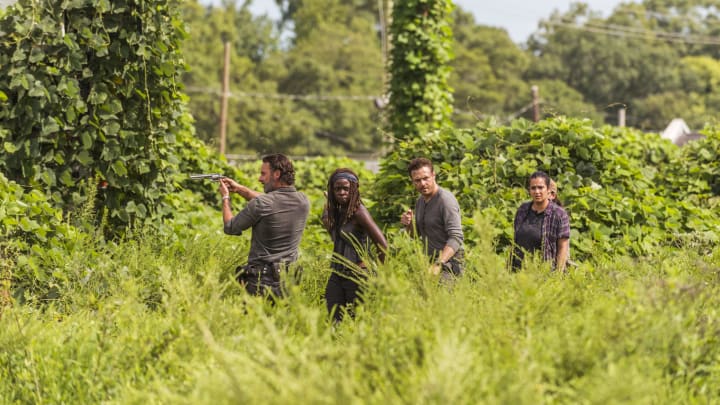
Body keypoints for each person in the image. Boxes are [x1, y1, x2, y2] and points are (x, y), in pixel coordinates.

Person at [218, 154, 310, 298]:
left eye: (263, 174)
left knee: (253, 320)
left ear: (277, 174)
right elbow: (272, 201)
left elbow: (230, 227)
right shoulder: (303, 201)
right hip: (290, 280)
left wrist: (225, 197)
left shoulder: (262, 204)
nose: (260, 179)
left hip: (262, 281)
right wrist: (241, 189)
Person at [322, 168, 387, 322]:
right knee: (334, 318)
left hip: (357, 274)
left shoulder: (359, 211)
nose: (342, 192)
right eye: (337, 189)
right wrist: (328, 203)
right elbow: (329, 226)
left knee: (357, 320)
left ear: (354, 189)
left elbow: (383, 245)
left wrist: (376, 272)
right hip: (338, 272)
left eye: (346, 188)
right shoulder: (338, 211)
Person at [400, 157, 464, 280]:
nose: (422, 183)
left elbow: (456, 237)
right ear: (412, 181)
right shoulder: (420, 201)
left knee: (443, 298)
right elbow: (415, 235)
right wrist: (408, 224)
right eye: (417, 180)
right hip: (429, 263)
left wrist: (439, 264)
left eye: (426, 178)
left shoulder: (445, 200)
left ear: (433, 175)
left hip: (449, 264)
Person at [510, 171, 570, 272]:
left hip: (544, 274)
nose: (537, 192)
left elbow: (563, 248)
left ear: (548, 190)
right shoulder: (522, 210)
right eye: (533, 188)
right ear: (529, 190)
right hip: (519, 274)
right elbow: (516, 242)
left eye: (540, 187)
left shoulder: (559, 214)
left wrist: (557, 277)